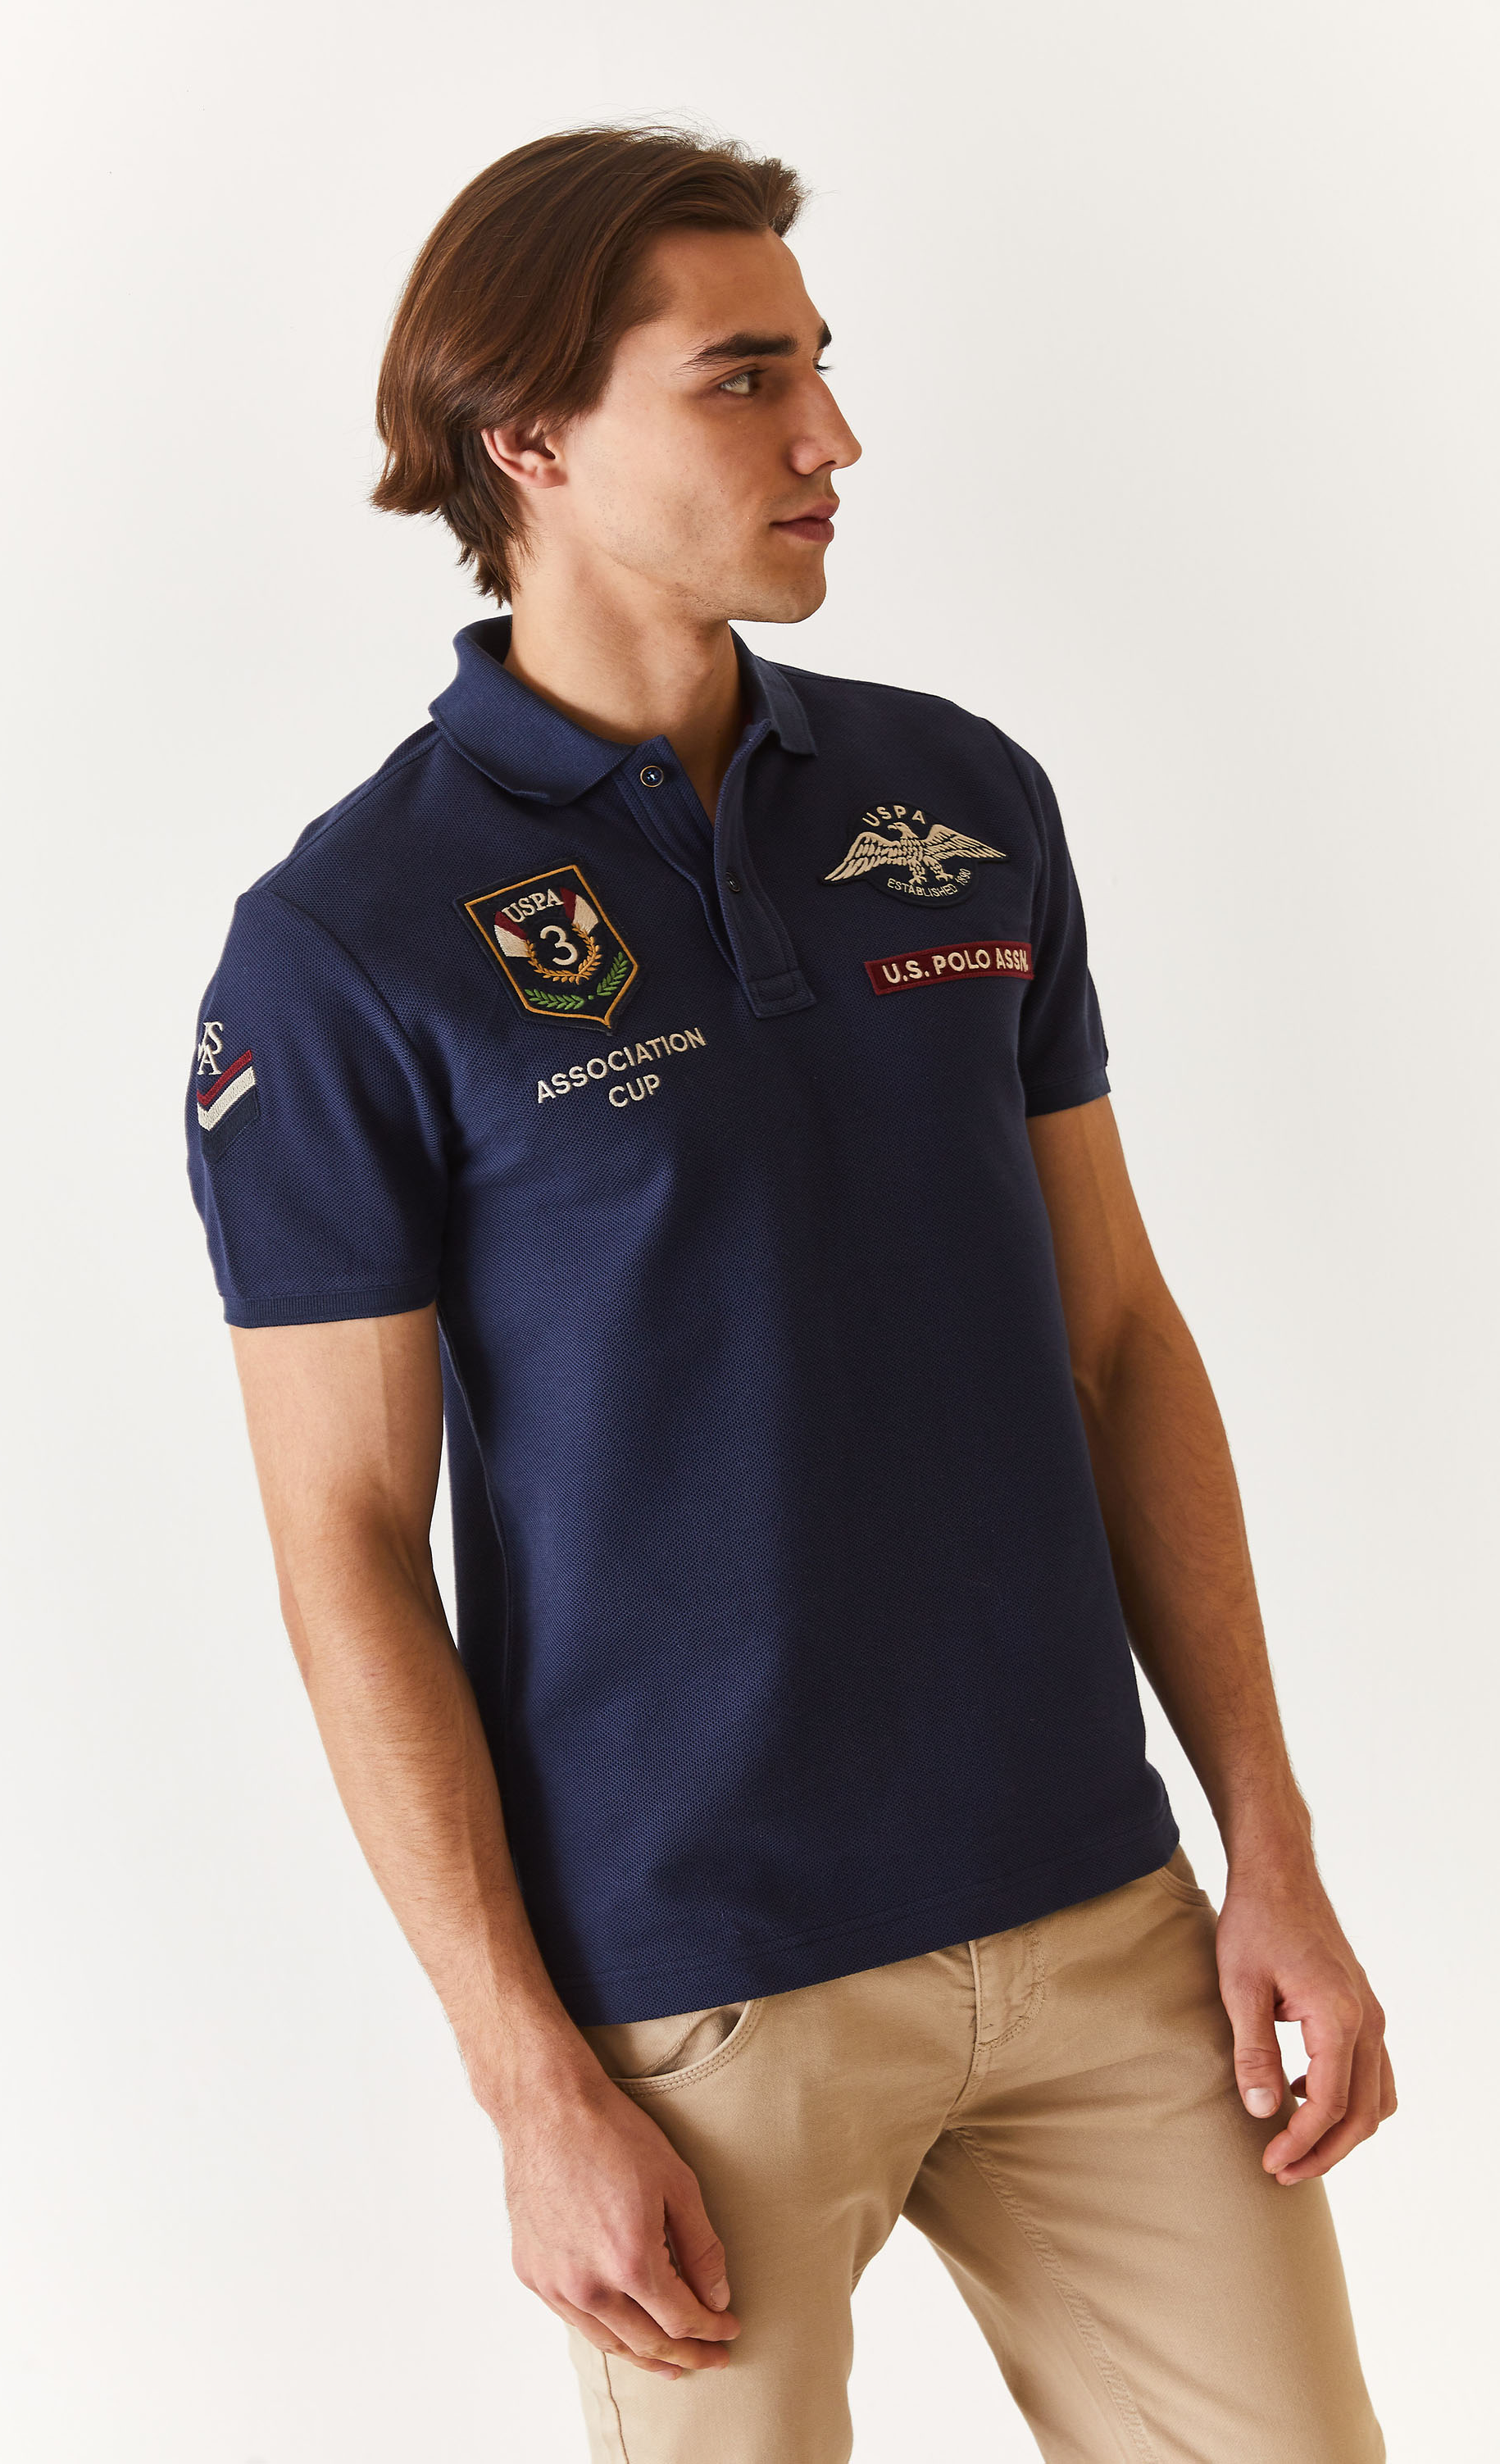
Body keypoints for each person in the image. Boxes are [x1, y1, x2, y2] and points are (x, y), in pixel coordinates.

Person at [185, 125, 1390, 2462]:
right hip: (696, 2011)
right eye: (745, 379)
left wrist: (1273, 1853)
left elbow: (1116, 1343)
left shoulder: (962, 801)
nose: (831, 434)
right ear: (526, 437)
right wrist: (528, 2079)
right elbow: (344, 1544)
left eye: (819, 366)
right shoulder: (345, 946)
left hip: (1104, 1923)